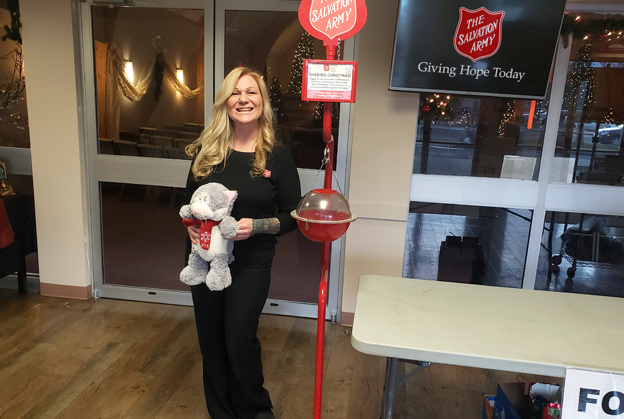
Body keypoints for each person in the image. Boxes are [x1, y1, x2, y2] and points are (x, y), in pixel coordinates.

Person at [182, 66, 301, 419]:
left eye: (252, 92)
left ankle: (254, 412)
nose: (243, 99)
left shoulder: (277, 156)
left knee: (238, 337)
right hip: (205, 258)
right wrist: (190, 225)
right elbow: (189, 202)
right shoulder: (207, 150)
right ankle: (221, 413)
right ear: (225, 101)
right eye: (236, 92)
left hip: (251, 262)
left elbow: (295, 215)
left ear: (262, 102)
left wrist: (259, 226)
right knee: (211, 341)